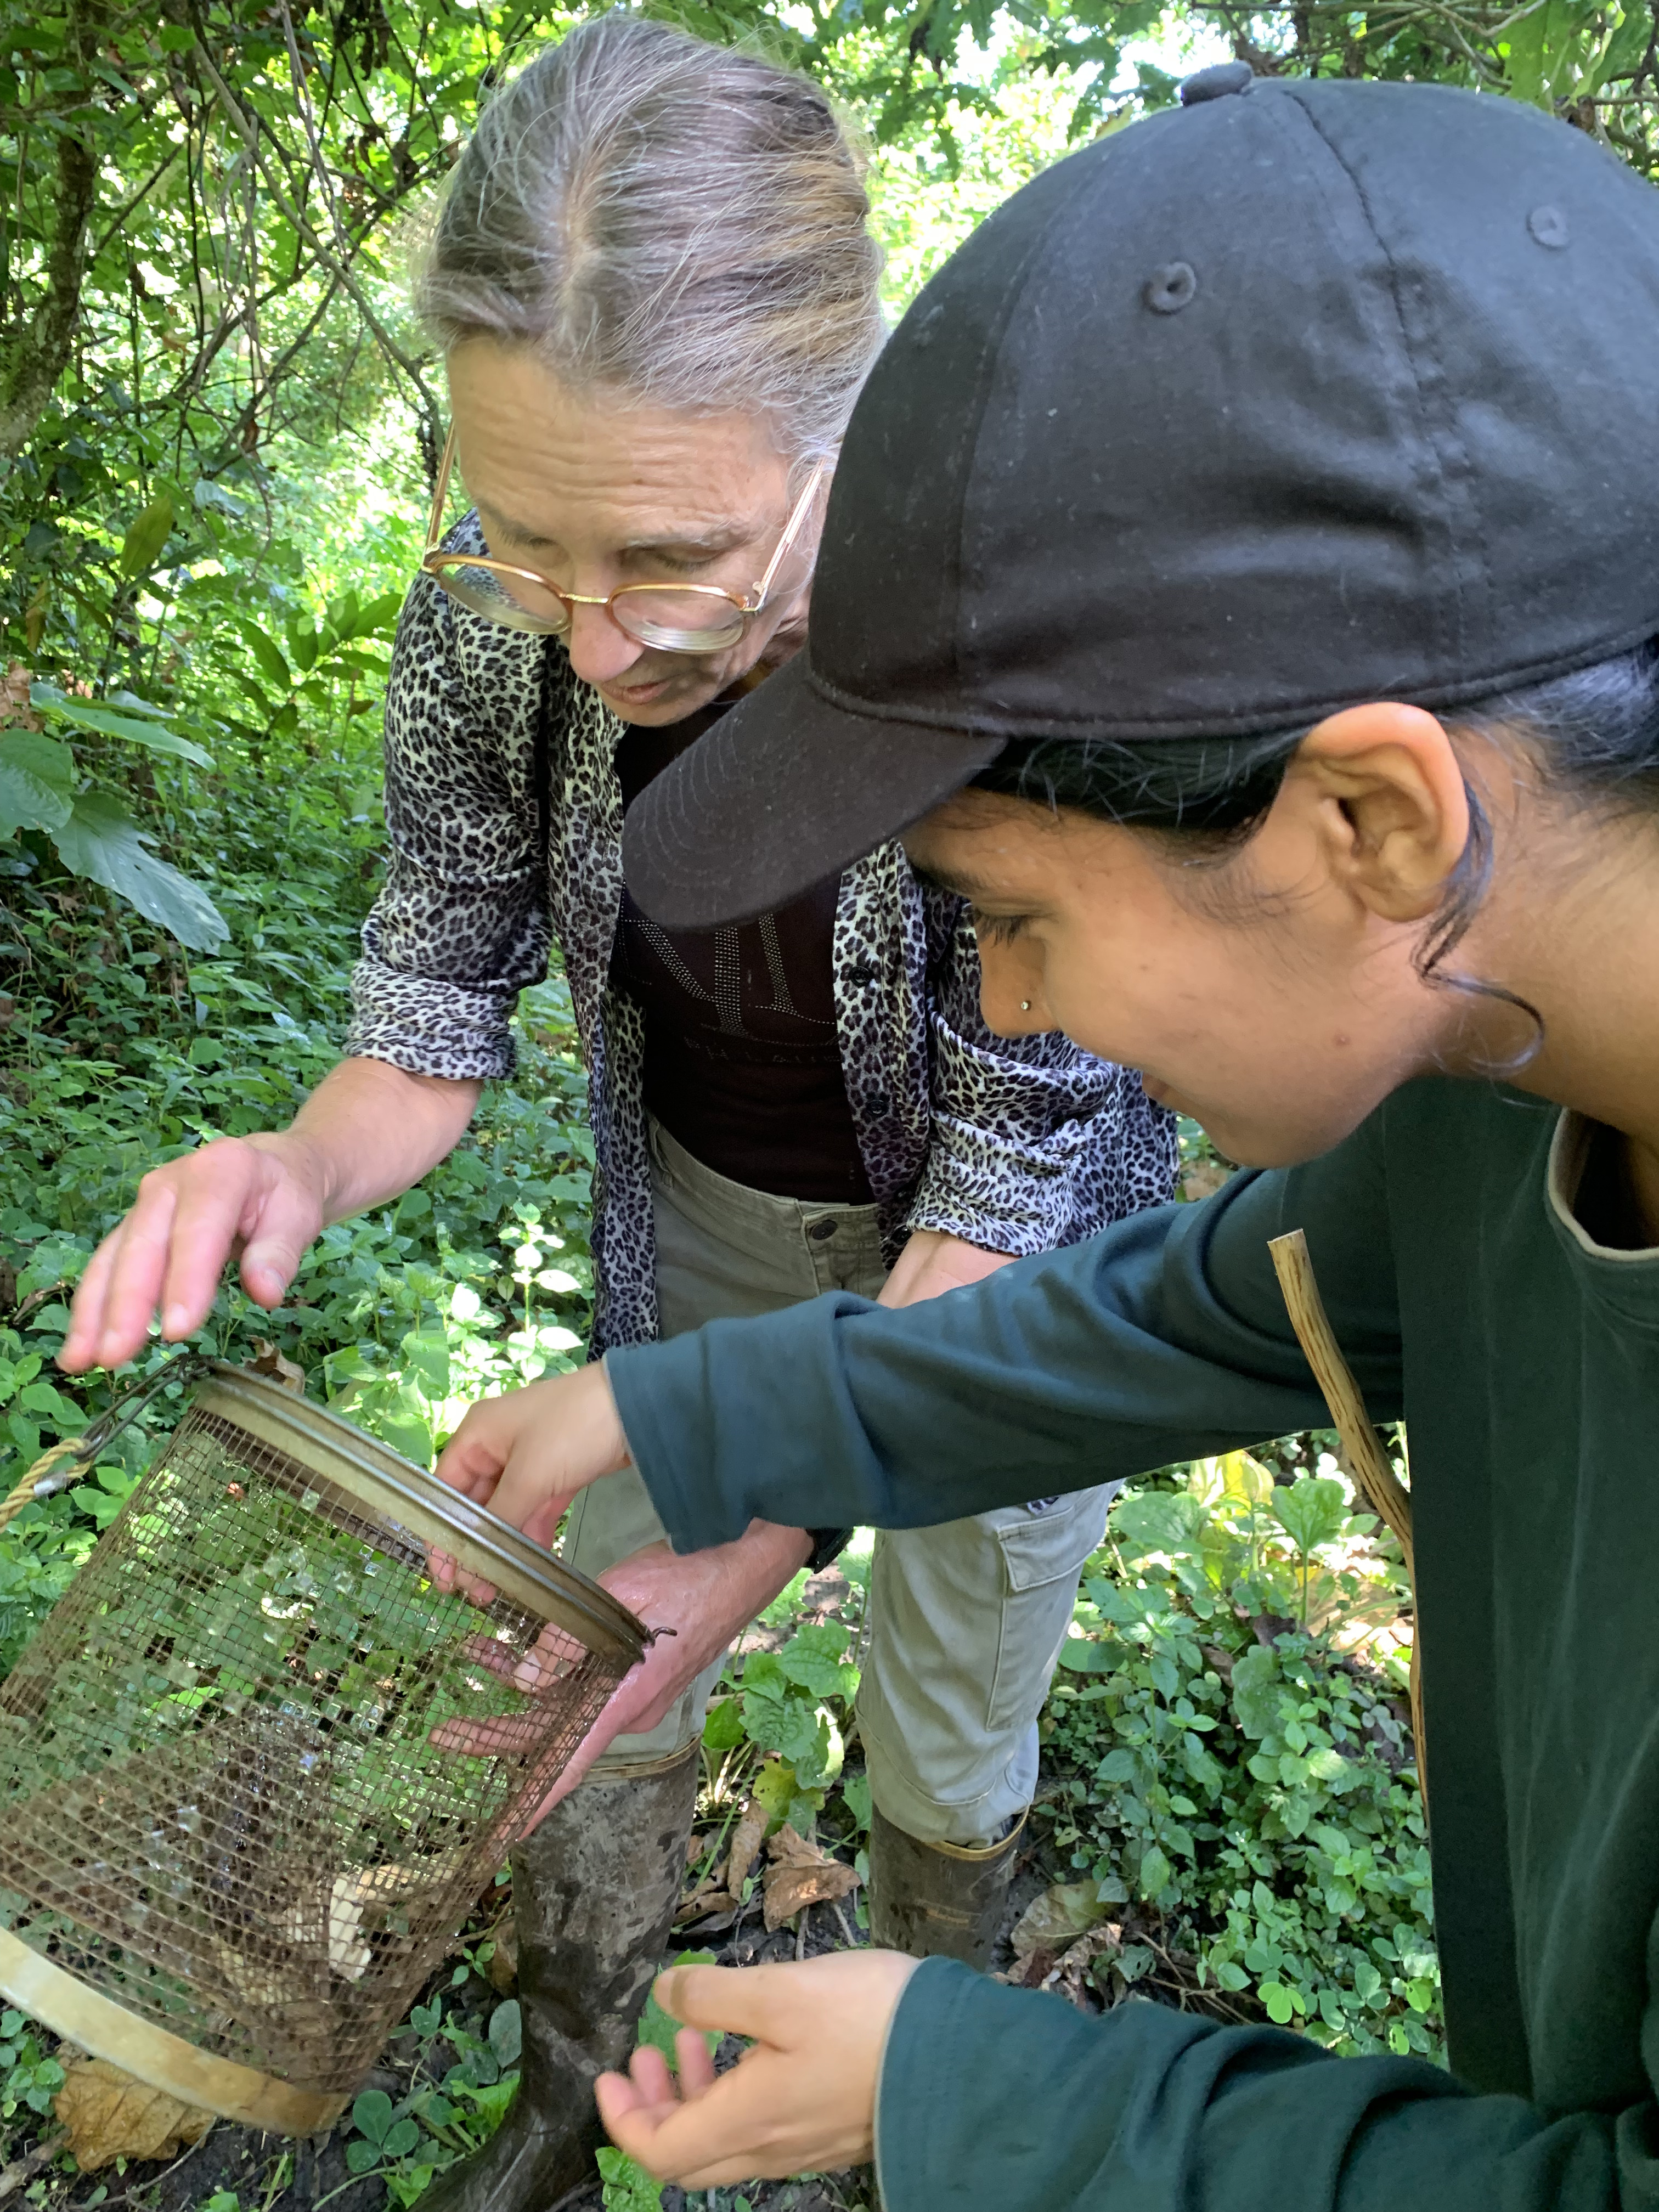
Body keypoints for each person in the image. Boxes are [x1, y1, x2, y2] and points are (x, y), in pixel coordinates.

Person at [427, 63, 1659, 2212]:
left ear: (1371, 823)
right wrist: (704, 1419)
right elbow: (1208, 1303)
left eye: (1007, 915)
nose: (1000, 1011)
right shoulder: (1498, 1080)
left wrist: (993, 2095)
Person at [58, 17, 1177, 2209]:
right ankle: (573, 2109)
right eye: (523, 537)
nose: (592, 639)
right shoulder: (502, 621)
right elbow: (427, 1014)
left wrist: (758, 1537)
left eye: (672, 555)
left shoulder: (1018, 633)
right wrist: (287, 1160)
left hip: (1030, 1274)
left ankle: (908, 2094)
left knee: (954, 1700)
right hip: (716, 1218)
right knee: (590, 1680)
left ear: (845, 436)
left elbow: (1019, 1187)